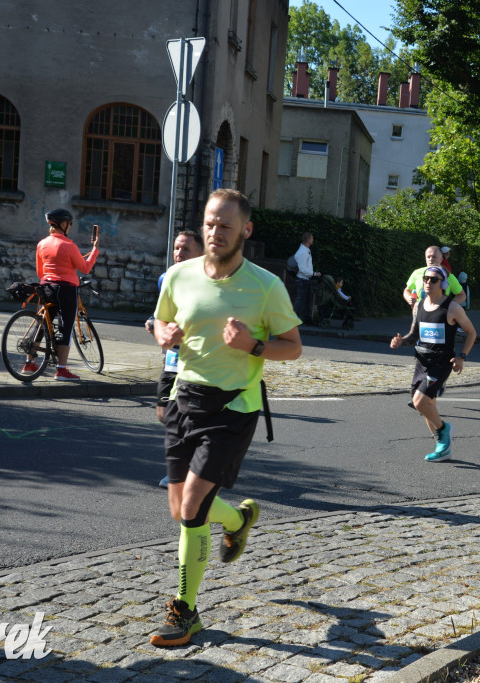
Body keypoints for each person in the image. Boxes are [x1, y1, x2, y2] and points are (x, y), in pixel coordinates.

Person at [149, 189, 302, 648]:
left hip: (234, 406)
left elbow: (293, 347)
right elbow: (160, 322)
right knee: (179, 508)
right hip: (184, 399)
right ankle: (236, 520)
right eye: (210, 224)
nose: (215, 232)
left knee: (192, 508)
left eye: (226, 226)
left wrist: (253, 345)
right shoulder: (179, 275)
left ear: (245, 230)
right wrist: (164, 334)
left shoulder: (266, 286)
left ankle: (185, 611)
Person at [390, 265, 477, 463]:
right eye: (426, 279)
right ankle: (442, 448)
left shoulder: (452, 308)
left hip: (441, 363)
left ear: (443, 284)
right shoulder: (419, 305)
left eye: (433, 280)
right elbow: (414, 336)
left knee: (419, 402)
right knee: (427, 406)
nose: (428, 282)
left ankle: (444, 429)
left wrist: (462, 356)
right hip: (421, 361)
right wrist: (401, 341)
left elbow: (472, 332)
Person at [30, 208, 100, 381]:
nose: (69, 226)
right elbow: (85, 268)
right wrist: (95, 250)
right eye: (69, 224)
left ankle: (29, 363)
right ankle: (61, 370)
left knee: (42, 324)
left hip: (47, 287)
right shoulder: (69, 246)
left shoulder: (42, 244)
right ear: (63, 224)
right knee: (65, 328)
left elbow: (40, 272)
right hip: (66, 289)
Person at [147, 231, 205, 423]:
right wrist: (154, 323)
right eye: (176, 248)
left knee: (192, 415)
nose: (179, 253)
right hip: (173, 354)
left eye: (186, 249)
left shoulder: (210, 282)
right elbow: (163, 313)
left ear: (200, 254)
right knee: (163, 412)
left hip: (199, 359)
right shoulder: (166, 278)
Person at [292, 232, 321, 324]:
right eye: (312, 238)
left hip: (304, 279)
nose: (313, 240)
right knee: (300, 300)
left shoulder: (305, 250)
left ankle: (305, 319)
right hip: (302, 279)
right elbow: (302, 269)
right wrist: (314, 274)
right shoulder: (303, 252)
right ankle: (293, 320)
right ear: (308, 240)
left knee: (304, 300)